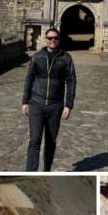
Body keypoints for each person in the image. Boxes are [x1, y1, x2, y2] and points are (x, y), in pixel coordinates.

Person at [21, 27, 76, 171]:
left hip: (55, 106)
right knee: (34, 141)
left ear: (59, 39)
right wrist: (25, 101)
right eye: (50, 38)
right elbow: (29, 79)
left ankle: (46, 171)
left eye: (55, 38)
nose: (53, 41)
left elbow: (71, 81)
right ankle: (30, 172)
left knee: (51, 142)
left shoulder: (66, 58)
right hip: (36, 104)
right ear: (46, 39)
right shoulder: (37, 57)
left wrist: (68, 105)